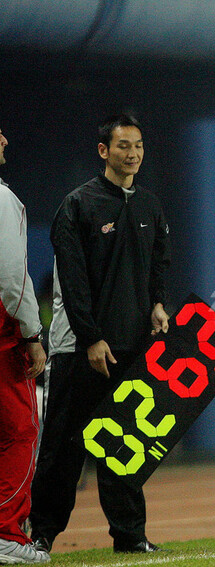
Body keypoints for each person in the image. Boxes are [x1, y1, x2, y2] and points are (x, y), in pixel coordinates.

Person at [28, 114, 170, 555]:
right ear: (104, 151)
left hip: (131, 346)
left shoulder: (149, 206)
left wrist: (157, 305)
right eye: (124, 146)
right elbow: (71, 281)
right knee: (63, 448)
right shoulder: (77, 205)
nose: (133, 154)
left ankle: (130, 535)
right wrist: (90, 338)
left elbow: (157, 267)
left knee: (125, 445)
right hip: (79, 348)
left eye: (139, 146)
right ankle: (41, 535)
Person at [0, 127, 50, 564]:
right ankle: (6, 534)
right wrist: (32, 334)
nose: (4, 140)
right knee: (20, 430)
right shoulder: (2, 199)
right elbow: (12, 275)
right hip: (2, 339)